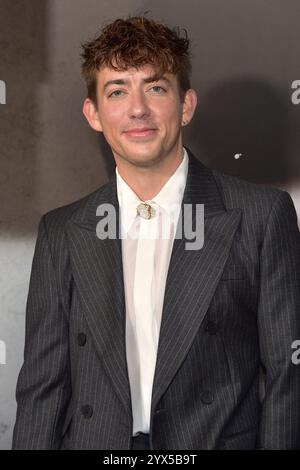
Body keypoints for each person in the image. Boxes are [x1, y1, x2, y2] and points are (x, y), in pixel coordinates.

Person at [12, 15, 300, 450]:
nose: (138, 109)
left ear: (186, 105)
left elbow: (287, 374)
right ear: (93, 114)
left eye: (156, 87)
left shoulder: (262, 216)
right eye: (117, 91)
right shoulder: (62, 231)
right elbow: (42, 390)